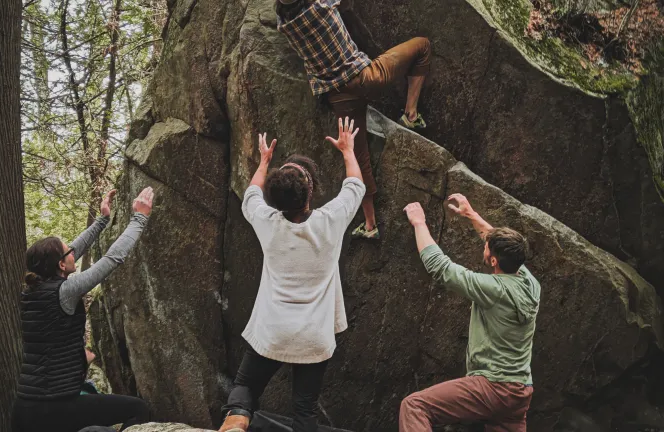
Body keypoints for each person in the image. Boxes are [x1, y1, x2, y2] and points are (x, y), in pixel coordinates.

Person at [219, 117, 366, 432]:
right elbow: (355, 185)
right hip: (314, 336)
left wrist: (264, 162)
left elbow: (251, 196)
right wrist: (348, 150)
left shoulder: (267, 222)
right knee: (304, 409)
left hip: (272, 330)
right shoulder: (330, 221)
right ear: (309, 193)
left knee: (244, 387)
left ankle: (235, 423)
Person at [276, 0, 432, 239]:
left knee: (359, 159)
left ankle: (370, 224)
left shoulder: (285, 24)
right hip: (366, 77)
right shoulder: (322, 5)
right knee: (423, 46)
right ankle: (410, 114)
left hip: (339, 95)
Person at [12, 187, 155, 432]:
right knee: (137, 409)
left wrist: (102, 221)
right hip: (54, 408)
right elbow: (112, 259)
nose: (74, 254)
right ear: (60, 264)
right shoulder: (65, 291)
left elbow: (72, 250)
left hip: (25, 409)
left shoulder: (32, 291)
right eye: (69, 253)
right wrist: (140, 217)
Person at [400, 194, 541, 431]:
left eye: (487, 247)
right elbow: (499, 242)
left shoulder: (493, 289)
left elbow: (440, 267)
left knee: (414, 405)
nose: (484, 245)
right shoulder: (530, 283)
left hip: (492, 387)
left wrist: (419, 223)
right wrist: (471, 214)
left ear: (493, 260)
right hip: (519, 391)